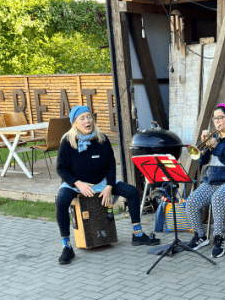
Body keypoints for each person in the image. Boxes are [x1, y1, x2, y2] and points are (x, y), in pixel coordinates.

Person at [55, 105, 160, 264]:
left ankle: (137, 234)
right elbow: (60, 168)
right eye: (82, 118)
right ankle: (67, 246)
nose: (87, 121)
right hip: (76, 183)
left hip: (101, 182)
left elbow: (111, 164)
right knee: (61, 201)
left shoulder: (102, 139)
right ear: (75, 123)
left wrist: (109, 186)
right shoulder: (67, 141)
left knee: (131, 192)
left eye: (89, 117)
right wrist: (78, 184)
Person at [185, 103, 225, 258]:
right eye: (215, 119)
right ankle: (200, 236)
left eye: (221, 118)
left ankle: (219, 238)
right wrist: (205, 146)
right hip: (213, 182)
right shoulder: (214, 139)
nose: (218, 122)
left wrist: (217, 146)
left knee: (218, 198)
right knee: (192, 200)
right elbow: (201, 162)